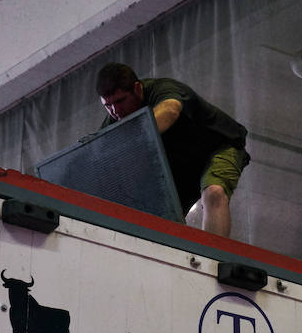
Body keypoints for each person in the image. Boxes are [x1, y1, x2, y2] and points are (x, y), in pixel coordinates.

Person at [95, 63, 249, 237]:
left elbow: (170, 110)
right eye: (108, 105)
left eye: (120, 101)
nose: (116, 111)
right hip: (182, 169)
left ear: (137, 89)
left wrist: (128, 143)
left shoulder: (163, 89)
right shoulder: (113, 120)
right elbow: (99, 156)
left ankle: (213, 259)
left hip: (219, 147)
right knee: (161, 217)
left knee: (214, 192)